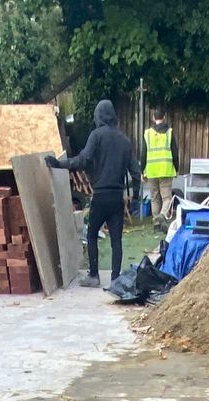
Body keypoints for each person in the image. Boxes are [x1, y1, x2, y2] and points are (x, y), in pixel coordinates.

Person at [47, 99, 143, 288]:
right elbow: (136, 172)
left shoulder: (96, 135)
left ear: (98, 116)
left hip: (100, 195)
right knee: (116, 239)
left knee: (91, 234)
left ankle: (94, 276)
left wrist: (60, 164)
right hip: (117, 198)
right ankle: (115, 278)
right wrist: (136, 197)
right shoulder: (124, 140)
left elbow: (83, 160)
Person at [141, 110, 177, 222]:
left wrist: (142, 171)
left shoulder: (147, 134)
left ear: (153, 118)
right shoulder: (169, 132)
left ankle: (156, 221)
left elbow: (144, 153)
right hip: (166, 170)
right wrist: (177, 168)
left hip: (151, 171)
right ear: (164, 117)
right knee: (166, 197)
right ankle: (162, 216)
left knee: (154, 198)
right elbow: (175, 152)